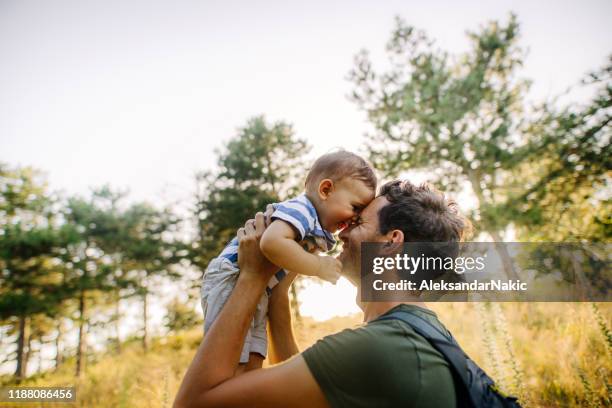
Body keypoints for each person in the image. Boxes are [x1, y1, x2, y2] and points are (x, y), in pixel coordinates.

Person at [175, 180, 471, 408]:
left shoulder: (375, 348)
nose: (340, 233)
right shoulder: (424, 332)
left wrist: (251, 277)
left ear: (391, 242)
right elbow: (297, 393)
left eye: (356, 222)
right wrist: (278, 291)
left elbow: (194, 404)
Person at [200, 150, 376, 371]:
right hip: (231, 276)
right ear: (326, 189)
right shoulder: (301, 210)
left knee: (255, 354)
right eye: (355, 207)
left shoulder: (316, 229)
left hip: (260, 287)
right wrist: (318, 266)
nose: (354, 218)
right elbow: (271, 242)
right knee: (231, 357)